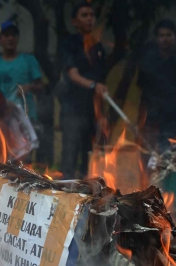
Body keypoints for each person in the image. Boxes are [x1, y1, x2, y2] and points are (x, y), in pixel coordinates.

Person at [58, 2, 108, 179]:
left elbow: (101, 83)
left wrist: (101, 115)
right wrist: (94, 85)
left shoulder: (98, 47)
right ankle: (65, 193)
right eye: (84, 15)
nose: (89, 19)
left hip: (92, 111)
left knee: (91, 157)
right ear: (75, 21)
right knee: (70, 155)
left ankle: (88, 197)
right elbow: (73, 74)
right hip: (73, 108)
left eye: (91, 15)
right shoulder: (69, 44)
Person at [137, 19, 176, 152]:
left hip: (171, 117)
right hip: (150, 117)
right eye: (161, 35)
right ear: (157, 38)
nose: (165, 39)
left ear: (174, 38)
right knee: (148, 155)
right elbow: (142, 87)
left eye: (168, 35)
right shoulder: (147, 63)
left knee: (171, 155)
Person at [0, 21, 43, 123]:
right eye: (6, 35)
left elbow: (41, 87)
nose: (10, 38)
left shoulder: (29, 59)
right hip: (1, 117)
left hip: (26, 118)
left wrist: (29, 87)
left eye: (13, 35)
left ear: (17, 39)